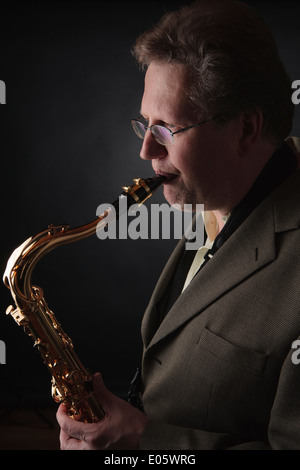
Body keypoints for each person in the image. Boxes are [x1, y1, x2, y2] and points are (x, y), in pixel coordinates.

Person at [56, 0, 300, 449]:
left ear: (246, 130)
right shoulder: (218, 193)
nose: (146, 151)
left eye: (167, 129)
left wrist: (144, 442)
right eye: (144, 124)